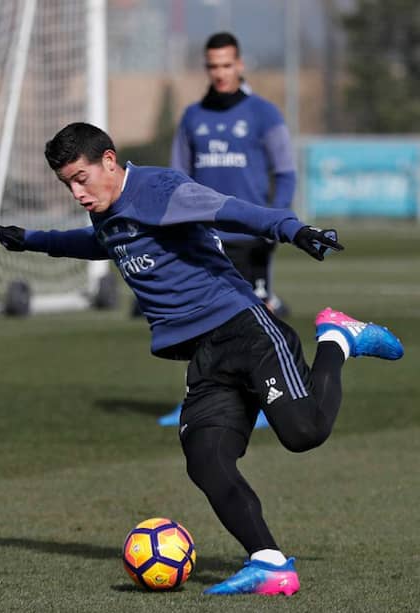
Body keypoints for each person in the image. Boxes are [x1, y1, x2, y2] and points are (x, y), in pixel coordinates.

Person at [0, 122, 403, 595]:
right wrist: (33, 240)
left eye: (81, 177)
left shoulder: (158, 189)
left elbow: (229, 211)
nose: (77, 193)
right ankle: (269, 562)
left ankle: (338, 339)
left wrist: (292, 228)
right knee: (206, 458)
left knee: (304, 432)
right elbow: (101, 243)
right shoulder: (105, 209)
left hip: (245, 331)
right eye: (68, 184)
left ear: (109, 160)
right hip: (204, 355)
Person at [159, 31, 296, 428]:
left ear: (240, 65)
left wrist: (275, 221)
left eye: (226, 65)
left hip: (250, 237)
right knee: (197, 318)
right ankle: (194, 400)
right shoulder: (192, 117)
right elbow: (177, 176)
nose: (219, 73)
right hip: (203, 236)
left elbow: (285, 172)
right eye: (212, 66)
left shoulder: (264, 114)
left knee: (257, 320)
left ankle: (264, 402)